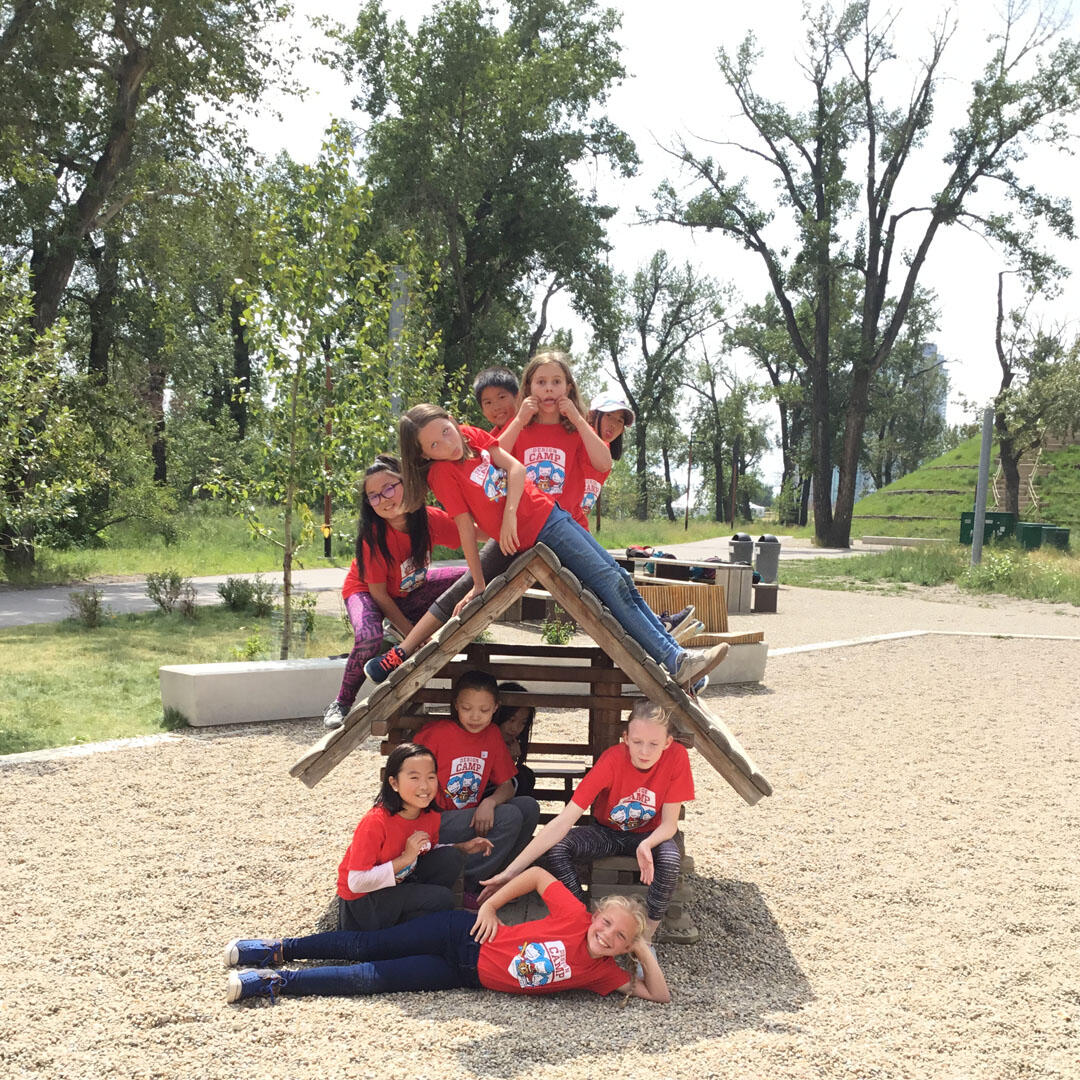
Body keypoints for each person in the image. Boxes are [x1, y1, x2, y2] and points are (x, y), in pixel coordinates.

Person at [362, 404, 729, 694]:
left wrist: (506, 519)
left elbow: (517, 470)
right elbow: (462, 525)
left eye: (446, 430)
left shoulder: (472, 437)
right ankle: (677, 662)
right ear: (424, 455)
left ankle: (680, 666)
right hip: (536, 530)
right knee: (611, 584)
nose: (448, 442)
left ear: (452, 420)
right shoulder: (443, 474)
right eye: (435, 445)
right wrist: (477, 582)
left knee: (619, 581)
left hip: (546, 515)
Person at [224, 866, 670, 1004]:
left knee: (370, 977)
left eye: (620, 936)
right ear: (594, 917)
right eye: (606, 923)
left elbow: (660, 996)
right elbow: (536, 874)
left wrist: (643, 949)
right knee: (367, 943)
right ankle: (277, 949)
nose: (608, 935)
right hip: (464, 932)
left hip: (460, 974)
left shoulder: (601, 973)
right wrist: (491, 904)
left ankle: (275, 983)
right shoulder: (575, 916)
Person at [478, 700, 693, 941]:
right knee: (559, 848)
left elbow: (669, 824)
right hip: (607, 833)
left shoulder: (677, 757)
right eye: (637, 742)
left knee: (671, 858)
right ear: (625, 738)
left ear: (667, 743)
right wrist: (509, 873)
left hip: (650, 835)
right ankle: (582, 919)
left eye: (653, 744)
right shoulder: (612, 760)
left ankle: (646, 938)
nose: (644, 751)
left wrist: (646, 844)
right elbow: (563, 822)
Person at [323, 454, 466, 729]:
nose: (385, 499)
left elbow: (474, 532)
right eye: (374, 496)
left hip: (407, 591)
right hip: (366, 593)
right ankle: (341, 702)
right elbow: (378, 595)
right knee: (369, 637)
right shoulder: (373, 537)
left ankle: (397, 638)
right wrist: (414, 635)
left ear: (407, 483)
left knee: (468, 577)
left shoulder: (428, 519)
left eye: (390, 487)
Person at [325, 742, 494, 933]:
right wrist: (405, 858)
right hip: (365, 901)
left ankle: (413, 919)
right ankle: (393, 934)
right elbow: (356, 883)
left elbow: (426, 849)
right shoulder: (375, 822)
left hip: (399, 881)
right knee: (442, 899)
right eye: (414, 777)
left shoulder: (429, 814)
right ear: (394, 783)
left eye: (431, 777)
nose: (424, 786)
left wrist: (462, 847)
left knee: (450, 857)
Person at [414, 670, 541, 909]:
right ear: (455, 706)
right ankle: (468, 884)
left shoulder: (492, 734)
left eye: (483, 710)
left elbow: (506, 785)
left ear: (495, 708)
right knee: (510, 816)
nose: (475, 717)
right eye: (467, 708)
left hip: (467, 816)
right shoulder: (436, 734)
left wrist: (489, 802)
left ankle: (501, 879)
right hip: (434, 819)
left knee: (528, 807)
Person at [496, 350, 611, 525]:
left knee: (601, 555)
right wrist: (519, 420)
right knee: (483, 554)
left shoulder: (576, 429)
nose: (549, 388)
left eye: (556, 382)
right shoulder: (517, 425)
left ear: (568, 388)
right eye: (541, 382)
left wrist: (579, 420)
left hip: (569, 523)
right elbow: (492, 463)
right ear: (528, 388)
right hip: (526, 525)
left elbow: (604, 464)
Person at [579, 391, 635, 528]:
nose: (613, 424)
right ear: (592, 415)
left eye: (619, 420)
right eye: (609, 416)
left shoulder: (606, 457)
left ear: (622, 430)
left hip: (578, 526)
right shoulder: (578, 440)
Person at [490, 681, 536, 799]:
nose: (515, 729)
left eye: (523, 723)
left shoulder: (512, 743)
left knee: (525, 775)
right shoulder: (484, 738)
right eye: (511, 720)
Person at [471, 365, 520, 438]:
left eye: (501, 397)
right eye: (488, 402)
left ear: (518, 397)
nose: (496, 407)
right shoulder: (489, 443)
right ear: (483, 411)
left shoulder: (537, 426)